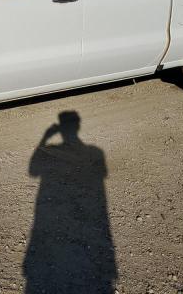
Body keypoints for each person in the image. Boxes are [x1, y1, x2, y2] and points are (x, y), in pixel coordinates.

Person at [24, 111, 116, 293]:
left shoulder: (94, 152)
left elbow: (33, 171)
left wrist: (44, 138)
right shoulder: (95, 152)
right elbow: (102, 174)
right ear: (78, 127)